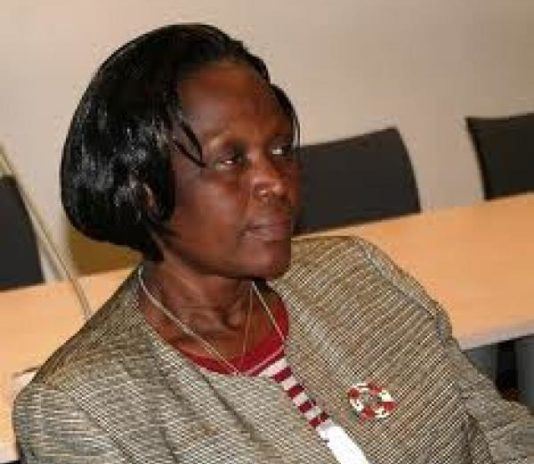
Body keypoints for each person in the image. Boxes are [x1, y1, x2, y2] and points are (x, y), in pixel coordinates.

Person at [14, 24, 534, 464]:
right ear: (145, 191)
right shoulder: (84, 408)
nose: (276, 181)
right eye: (231, 160)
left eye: (281, 149)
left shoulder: (358, 273)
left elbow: (502, 435)